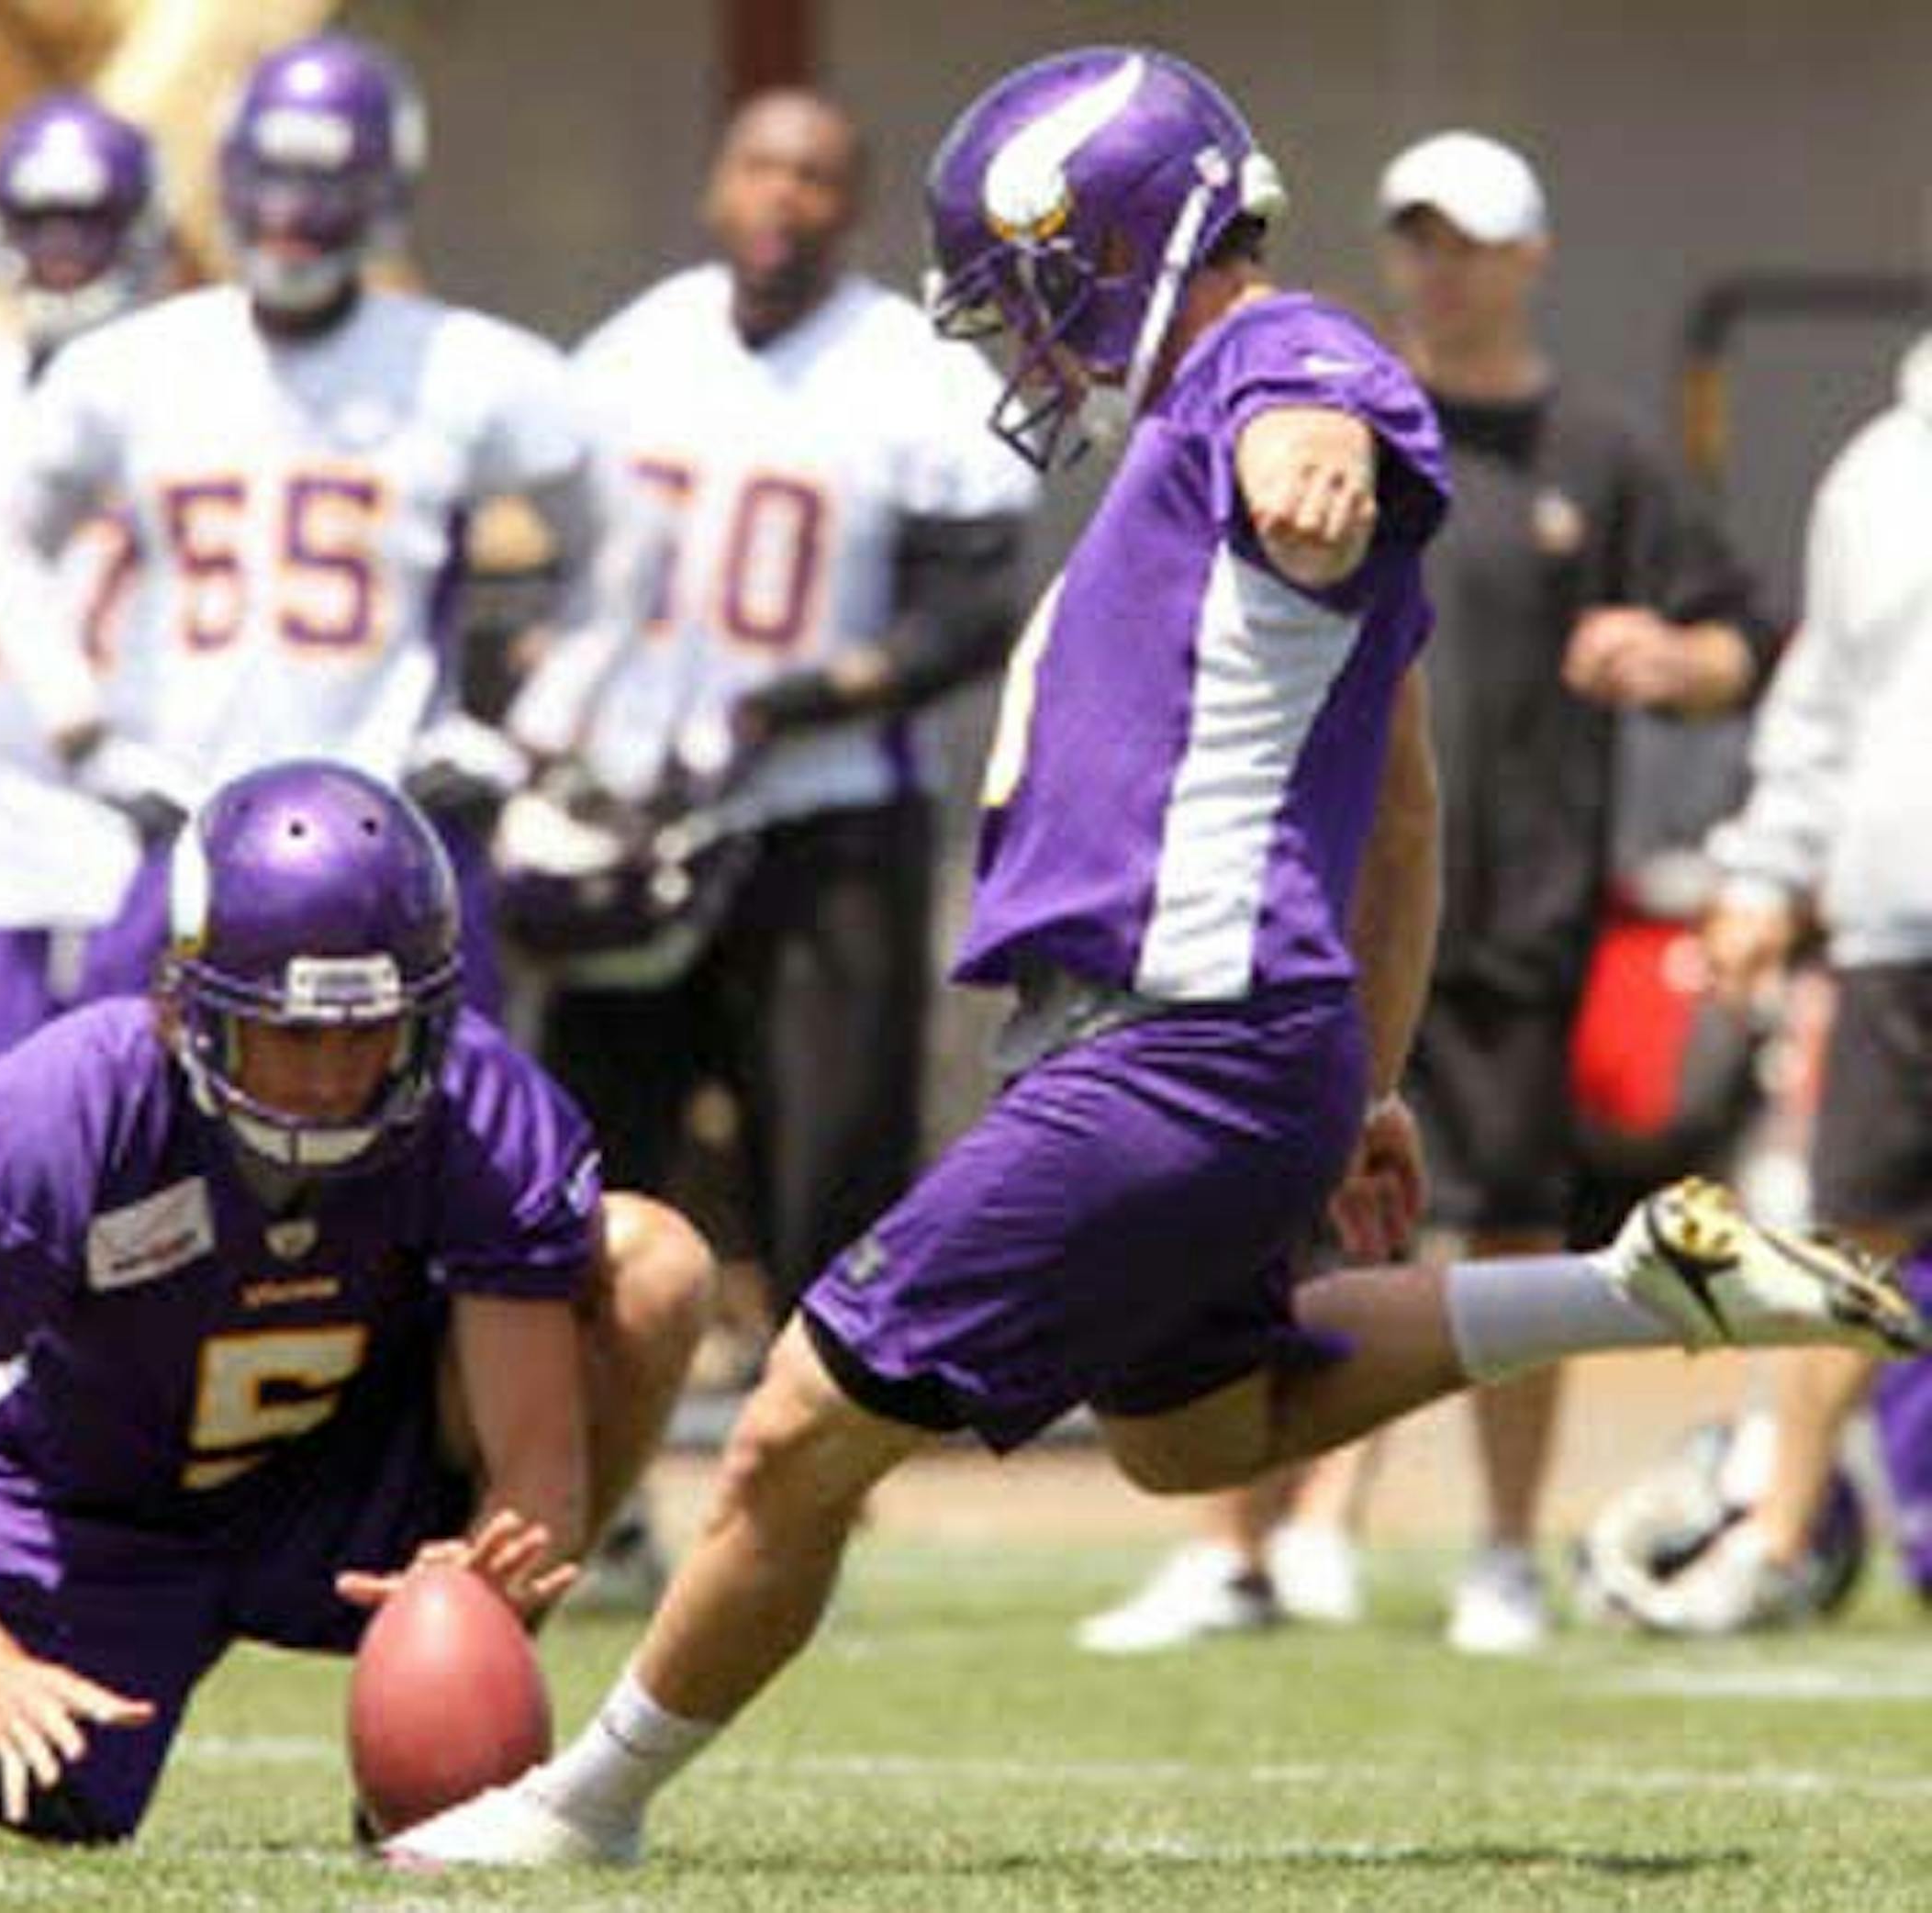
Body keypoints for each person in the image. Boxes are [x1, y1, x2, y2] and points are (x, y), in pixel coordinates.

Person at [380, 49, 1923, 1871]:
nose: (1023, 343)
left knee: (804, 1413)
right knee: (1201, 1438)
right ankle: (1644, 1285)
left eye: (1029, 292)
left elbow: (1322, 398)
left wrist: (1313, 462)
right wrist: (1363, 1075)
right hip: (1223, 1043)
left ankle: (587, 1807)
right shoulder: (1197, 461)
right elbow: (1401, 819)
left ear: (1114, 242)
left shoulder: (1273, 373)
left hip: (1170, 1048)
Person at [1078, 128, 1778, 1658]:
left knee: (1509, 1230)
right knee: (1267, 1215)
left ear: (1528, 258)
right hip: (1303, 886)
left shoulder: (1599, 454)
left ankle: (1503, 1553)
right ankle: (1251, 1546)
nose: (1437, 266)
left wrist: (1672, 664)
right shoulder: (1321, 421)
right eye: (1417, 237)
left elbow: (1744, 637)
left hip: (1517, 894)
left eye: (1467, 240)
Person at [0, 759, 714, 1842]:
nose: (331, 1075)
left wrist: (493, 1560)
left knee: (653, 1261)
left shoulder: (479, 1107)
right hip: (86, 1505)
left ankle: (450, 1756)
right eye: (293, 1031)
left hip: (351, 1489)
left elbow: (536, 1455)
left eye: (369, 1031)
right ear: (187, 1002)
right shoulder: (62, 1110)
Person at [502, 86, 1036, 1337]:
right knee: (601, 1148)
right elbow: (536, 556)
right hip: (639, 814)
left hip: (828, 816)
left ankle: (811, 1474)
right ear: (715, 183)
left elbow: (967, 615)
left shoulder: (914, 372)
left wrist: (789, 704)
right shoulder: (638, 350)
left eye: (812, 178)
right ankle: (594, 1476)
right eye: (758, 168)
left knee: (829, 1161)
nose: (780, 200)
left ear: (850, 205)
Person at [0, 31, 619, 1022]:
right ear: (226, 177)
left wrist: (531, 732)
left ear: (385, 189)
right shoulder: (139, 363)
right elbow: (4, 538)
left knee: (442, 1141)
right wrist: (84, 732)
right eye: (269, 180)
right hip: (184, 826)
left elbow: (631, 536)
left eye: (322, 187)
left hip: (394, 835)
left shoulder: (473, 367)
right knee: (124, 1134)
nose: (289, 217)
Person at [1641, 327, 1932, 1631]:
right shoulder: (1879, 469)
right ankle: (1773, 1538)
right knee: (1853, 1242)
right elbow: (1822, 703)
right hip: (1898, 921)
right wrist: (1763, 872)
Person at [0, 94, 165, 1093]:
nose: (66, 249)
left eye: (92, 222)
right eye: (42, 222)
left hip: (147, 820)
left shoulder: (198, 389)